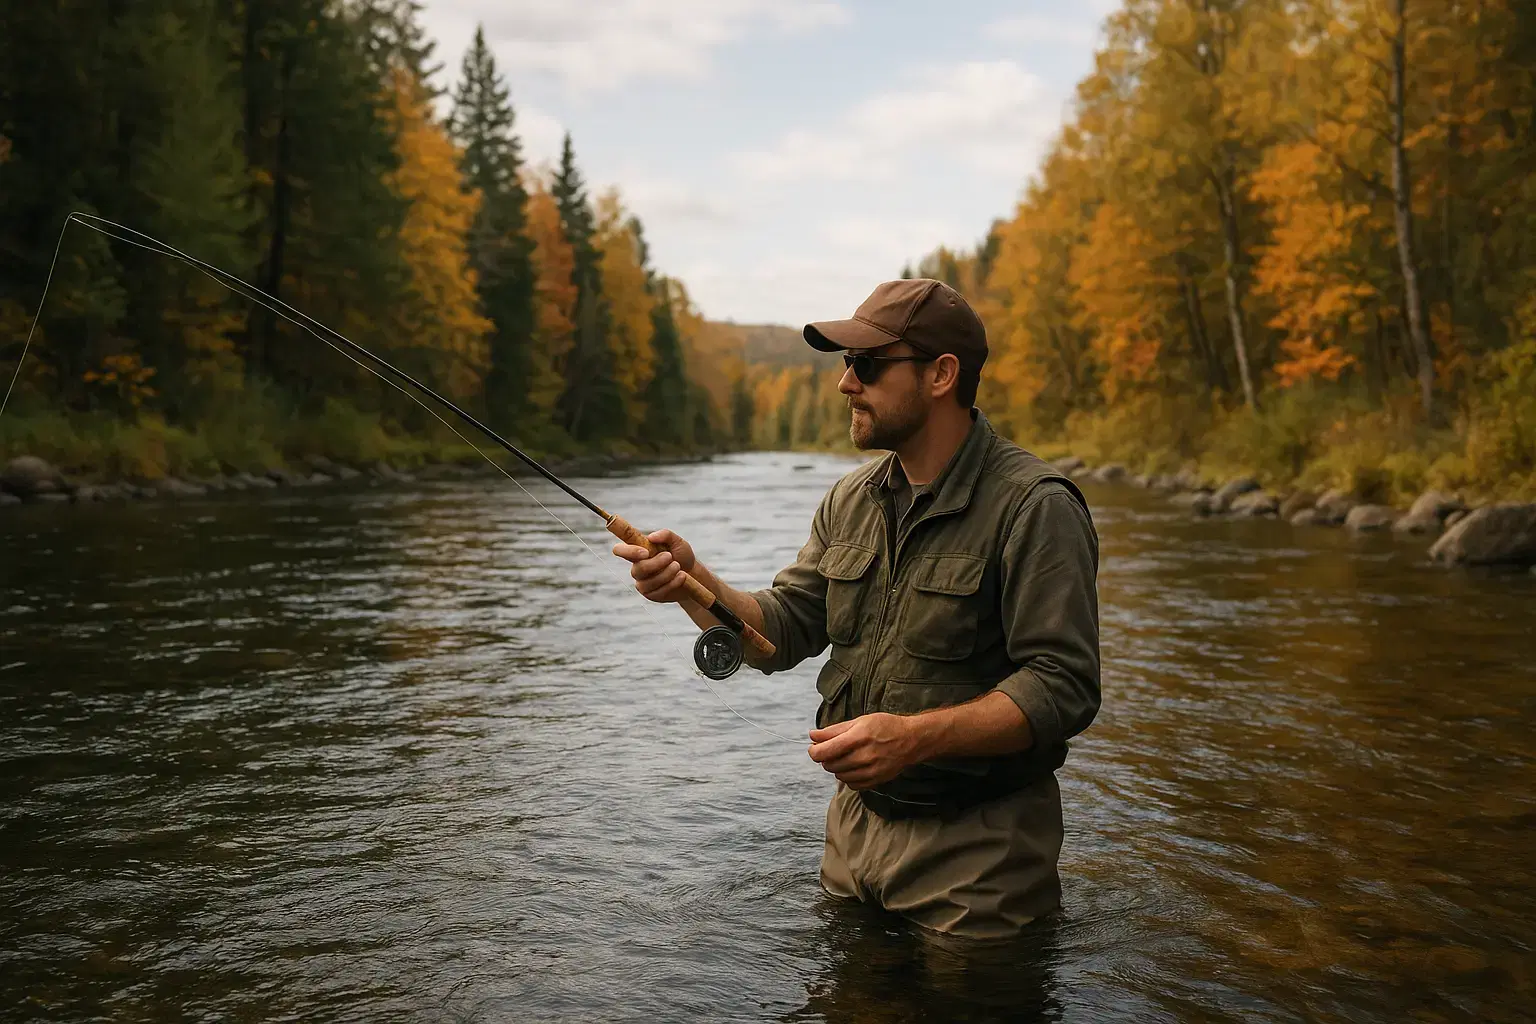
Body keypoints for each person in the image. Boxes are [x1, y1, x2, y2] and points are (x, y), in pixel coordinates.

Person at [611, 278, 1101, 940]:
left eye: (866, 365)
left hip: (982, 855)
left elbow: (1064, 686)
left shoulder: (1035, 507)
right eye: (846, 364)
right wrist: (691, 581)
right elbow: (779, 632)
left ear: (941, 375)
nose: (845, 383)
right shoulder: (850, 500)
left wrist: (914, 737)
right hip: (851, 837)